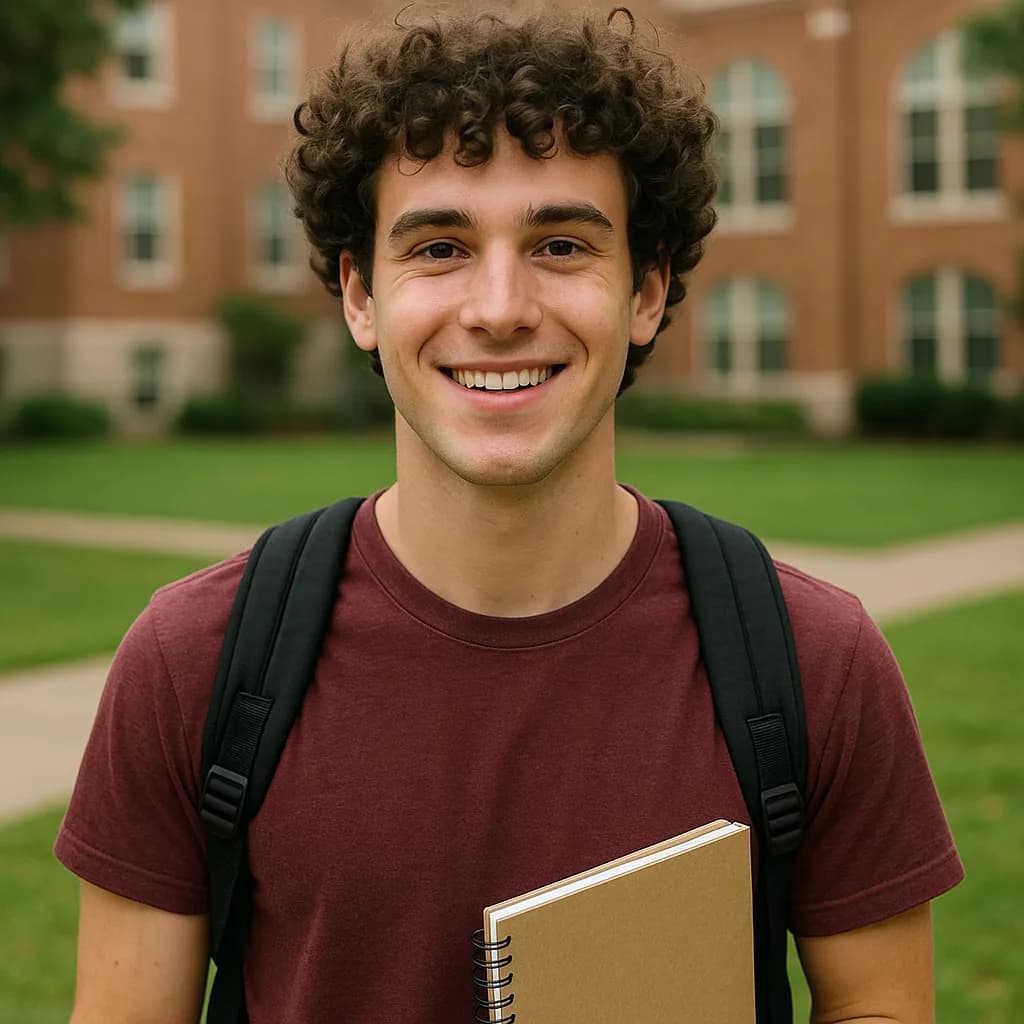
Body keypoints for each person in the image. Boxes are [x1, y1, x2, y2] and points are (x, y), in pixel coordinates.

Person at [56, 7, 963, 1023]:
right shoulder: (196, 660)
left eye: (561, 243)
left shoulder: (812, 662)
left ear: (647, 292)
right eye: (439, 246)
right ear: (360, 294)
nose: (497, 307)